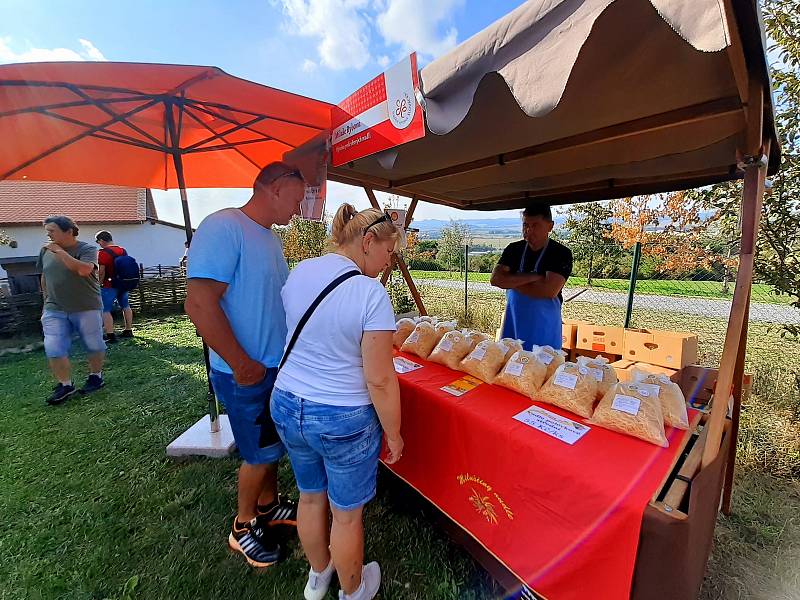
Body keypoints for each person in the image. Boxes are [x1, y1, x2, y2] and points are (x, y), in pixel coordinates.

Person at [271, 204, 404, 600]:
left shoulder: (301, 271)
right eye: (388, 252)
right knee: (346, 515)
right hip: (342, 417)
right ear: (368, 242)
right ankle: (353, 590)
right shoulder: (370, 292)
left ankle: (318, 576)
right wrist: (394, 433)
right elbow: (379, 379)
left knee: (310, 496)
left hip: (287, 402)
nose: (388, 262)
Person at [184, 161, 305, 568]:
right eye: (297, 197)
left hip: (270, 365)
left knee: (270, 446)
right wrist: (241, 363)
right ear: (274, 188)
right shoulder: (224, 227)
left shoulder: (269, 238)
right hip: (245, 369)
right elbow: (199, 303)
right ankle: (243, 524)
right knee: (257, 453)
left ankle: (269, 506)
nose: (300, 207)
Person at [38, 216, 106, 405]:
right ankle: (65, 385)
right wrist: (45, 302)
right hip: (54, 308)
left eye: (52, 230)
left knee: (93, 344)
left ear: (68, 231)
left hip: (86, 305)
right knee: (53, 346)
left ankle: (96, 376)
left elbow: (84, 270)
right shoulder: (45, 252)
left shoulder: (87, 249)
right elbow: (44, 277)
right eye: (47, 231)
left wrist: (60, 252)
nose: (48, 234)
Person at [490, 205, 573, 350]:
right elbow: (496, 279)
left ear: (550, 226)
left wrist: (510, 280)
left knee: (542, 366)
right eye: (525, 225)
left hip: (544, 327)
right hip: (514, 322)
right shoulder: (513, 249)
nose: (528, 230)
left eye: (535, 225)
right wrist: (534, 277)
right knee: (510, 362)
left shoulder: (560, 253)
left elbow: (548, 291)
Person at [95, 230, 134, 342]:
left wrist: (100, 283)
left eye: (98, 242)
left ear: (102, 240)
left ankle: (110, 335)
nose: (99, 244)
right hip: (123, 283)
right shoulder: (122, 250)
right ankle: (128, 330)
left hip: (109, 284)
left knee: (105, 309)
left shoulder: (103, 252)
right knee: (125, 306)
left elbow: (101, 271)